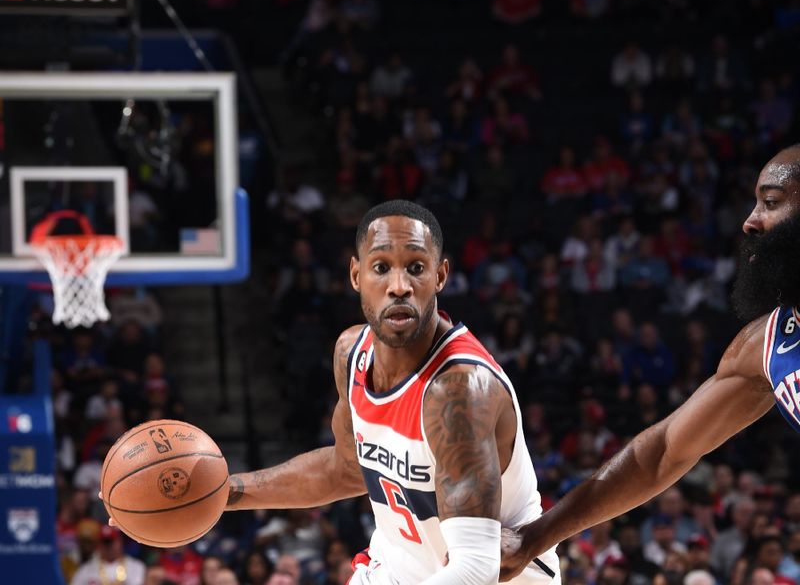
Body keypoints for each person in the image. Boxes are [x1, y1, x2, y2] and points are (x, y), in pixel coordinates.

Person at [499, 143, 800, 580]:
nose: (750, 222)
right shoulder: (767, 343)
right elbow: (660, 454)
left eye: (771, 203)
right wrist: (536, 537)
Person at [226, 200, 560, 584]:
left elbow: (474, 569)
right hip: (399, 567)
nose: (399, 286)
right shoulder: (351, 353)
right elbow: (345, 469)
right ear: (356, 274)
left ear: (440, 275)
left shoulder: (459, 390)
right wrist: (228, 493)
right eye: (381, 267)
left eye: (416, 268)